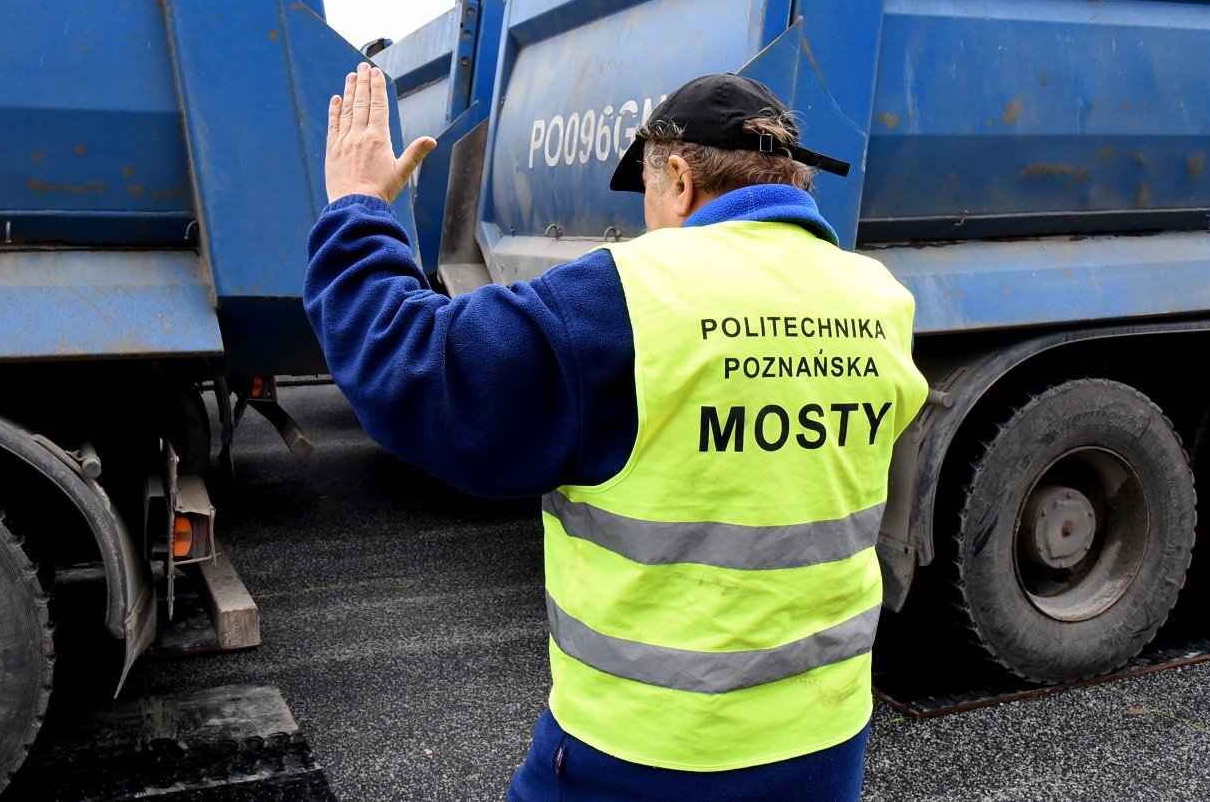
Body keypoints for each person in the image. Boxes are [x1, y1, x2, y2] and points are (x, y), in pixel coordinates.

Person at [305, 63, 927, 801]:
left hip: (644, 752)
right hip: (824, 740)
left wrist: (357, 207)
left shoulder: (627, 294)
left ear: (678, 180)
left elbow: (414, 367)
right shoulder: (877, 300)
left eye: (647, 194)